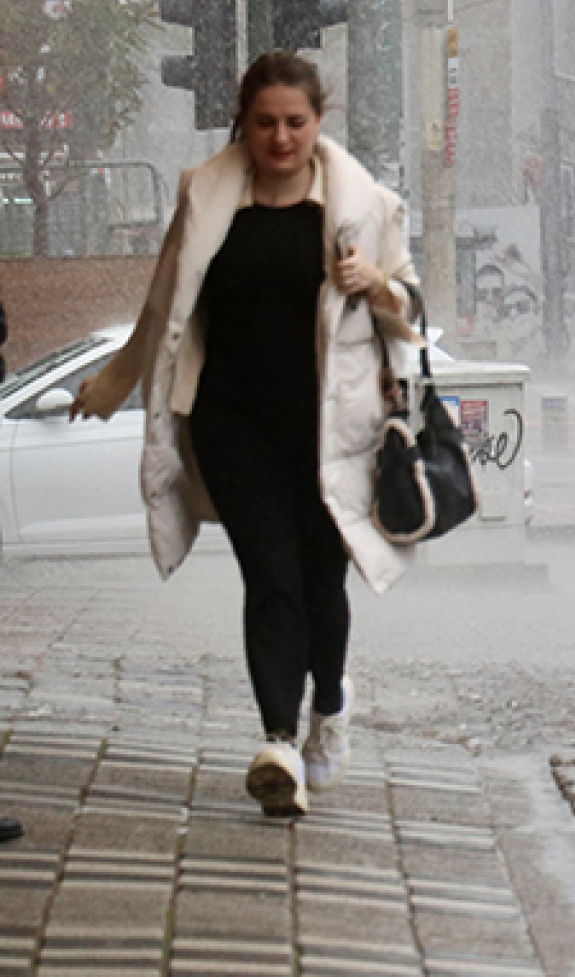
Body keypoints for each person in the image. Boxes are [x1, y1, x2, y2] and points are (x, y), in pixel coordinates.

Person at [71, 52, 422, 819]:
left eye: (295, 122)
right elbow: (164, 303)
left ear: (317, 123)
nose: (280, 137)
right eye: (264, 122)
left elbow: (412, 312)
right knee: (271, 579)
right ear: (244, 122)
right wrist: (115, 383)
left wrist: (377, 284)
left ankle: (329, 701)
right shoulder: (208, 195)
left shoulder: (363, 208)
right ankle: (278, 745)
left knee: (322, 585)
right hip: (234, 426)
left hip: (333, 431)